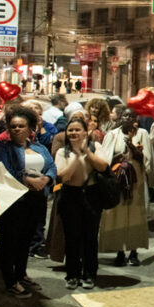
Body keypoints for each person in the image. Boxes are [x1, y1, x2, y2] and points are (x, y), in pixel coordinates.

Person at [0, 106, 56, 299]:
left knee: (25, 240)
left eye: (21, 125)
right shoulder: (4, 148)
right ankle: (10, 281)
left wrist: (46, 179)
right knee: (9, 242)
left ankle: (21, 274)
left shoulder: (39, 147)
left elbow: (52, 166)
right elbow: (6, 171)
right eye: (13, 126)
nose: (17, 129)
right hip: (14, 202)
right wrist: (29, 180)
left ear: (30, 128)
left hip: (36, 200)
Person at [54, 116, 110, 290]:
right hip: (70, 195)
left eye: (78, 130)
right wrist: (76, 157)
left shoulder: (96, 147)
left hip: (91, 196)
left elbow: (103, 167)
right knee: (72, 237)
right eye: (70, 130)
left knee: (90, 238)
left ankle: (90, 274)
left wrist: (86, 152)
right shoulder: (62, 152)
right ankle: (72, 274)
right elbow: (63, 176)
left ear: (85, 132)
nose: (73, 133)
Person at [100, 108, 154, 268]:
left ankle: (133, 252)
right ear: (120, 117)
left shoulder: (142, 134)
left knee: (135, 216)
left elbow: (146, 160)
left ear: (135, 118)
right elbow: (105, 157)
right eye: (125, 115)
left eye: (131, 116)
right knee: (117, 215)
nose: (128, 118)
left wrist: (131, 146)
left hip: (135, 182)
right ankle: (119, 251)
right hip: (118, 181)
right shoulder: (112, 134)